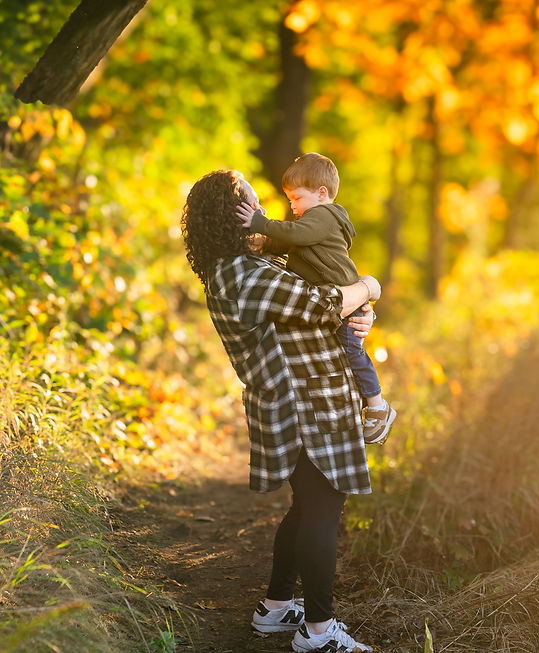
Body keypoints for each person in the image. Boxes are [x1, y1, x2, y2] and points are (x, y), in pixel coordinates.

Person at [181, 169, 376, 653]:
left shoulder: (242, 268)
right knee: (323, 509)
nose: (263, 206)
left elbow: (323, 300)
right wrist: (369, 287)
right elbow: (323, 301)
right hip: (303, 405)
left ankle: (274, 608)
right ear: (234, 214)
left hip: (299, 399)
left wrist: (357, 313)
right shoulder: (242, 275)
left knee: (308, 505)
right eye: (250, 198)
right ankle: (318, 632)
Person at [235, 152, 396, 445]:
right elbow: (289, 242)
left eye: (296, 198)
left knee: (351, 353)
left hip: (346, 302)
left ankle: (377, 406)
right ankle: (366, 404)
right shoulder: (313, 221)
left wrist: (260, 223)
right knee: (344, 354)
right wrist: (264, 242)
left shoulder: (322, 216)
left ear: (322, 194)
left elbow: (296, 235)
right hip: (344, 298)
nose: (292, 206)